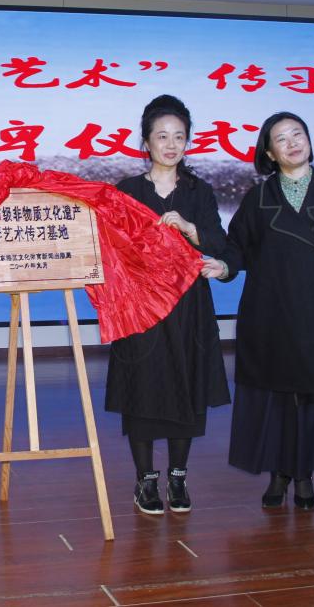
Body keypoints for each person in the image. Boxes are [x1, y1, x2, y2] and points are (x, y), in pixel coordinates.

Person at [220, 111, 314, 510]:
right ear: (270, 153)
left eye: (298, 134)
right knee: (275, 395)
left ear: (309, 140)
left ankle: (304, 473)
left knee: (309, 394)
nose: (293, 143)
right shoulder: (258, 198)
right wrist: (224, 266)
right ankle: (278, 473)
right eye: (281, 139)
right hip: (268, 308)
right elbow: (237, 247)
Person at [105, 95, 231, 515]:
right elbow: (111, 250)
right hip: (140, 308)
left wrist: (190, 229)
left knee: (186, 387)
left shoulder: (199, 191)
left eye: (179, 136)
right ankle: (145, 480)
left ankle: (178, 477)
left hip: (189, 306)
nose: (171, 144)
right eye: (162, 136)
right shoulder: (127, 191)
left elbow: (219, 243)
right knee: (141, 387)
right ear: (146, 142)